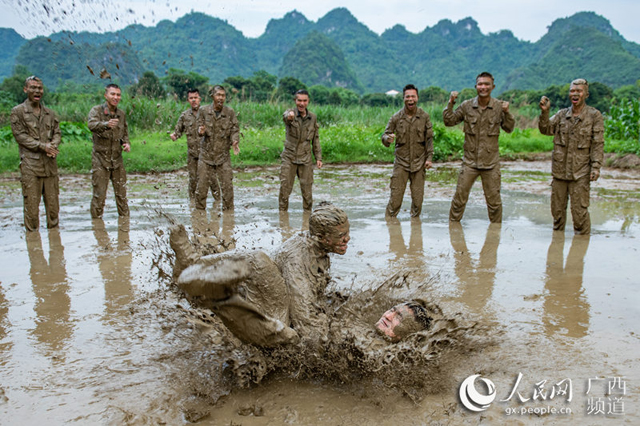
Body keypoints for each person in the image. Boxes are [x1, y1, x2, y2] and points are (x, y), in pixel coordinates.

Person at [170, 202, 350, 347]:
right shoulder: (299, 258)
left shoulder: (316, 247)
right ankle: (198, 272)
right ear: (322, 237)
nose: (347, 239)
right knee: (288, 334)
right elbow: (304, 318)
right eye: (341, 235)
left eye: (347, 233)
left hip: (273, 295)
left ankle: (197, 266)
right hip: (275, 310)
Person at [443, 72, 515, 223]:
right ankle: (453, 231)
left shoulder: (499, 107)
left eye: (487, 84)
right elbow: (449, 121)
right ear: (475, 86)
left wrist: (507, 113)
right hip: (469, 163)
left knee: (494, 203)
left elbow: (509, 128)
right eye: (480, 84)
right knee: (459, 199)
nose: (483, 87)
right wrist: (450, 102)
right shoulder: (467, 106)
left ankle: (494, 235)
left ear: (493, 87)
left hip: (491, 164)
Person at [538, 79, 604, 234]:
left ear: (586, 94)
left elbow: (598, 143)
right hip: (559, 173)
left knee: (580, 217)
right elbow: (546, 129)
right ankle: (556, 254)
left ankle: (579, 255)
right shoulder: (561, 115)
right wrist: (545, 112)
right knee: (557, 217)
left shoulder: (594, 116)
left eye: (579, 91)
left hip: (580, 173)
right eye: (572, 91)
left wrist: (596, 167)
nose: (575, 94)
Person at [10, 76, 61, 231]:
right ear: (26, 89)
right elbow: (20, 137)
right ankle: (33, 244)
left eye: (39, 88)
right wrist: (43, 146)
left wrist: (53, 145)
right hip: (30, 166)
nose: (37, 91)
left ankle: (55, 245)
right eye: (33, 87)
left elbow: (57, 133)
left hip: (50, 166)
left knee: (53, 209)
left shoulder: (50, 114)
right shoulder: (18, 112)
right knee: (32, 210)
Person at [382, 84, 434, 218]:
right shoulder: (396, 118)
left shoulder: (424, 117)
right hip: (401, 163)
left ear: (417, 98)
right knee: (395, 201)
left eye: (413, 96)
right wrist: (388, 139)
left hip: (419, 163)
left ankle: (415, 231)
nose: (410, 99)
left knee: (418, 201)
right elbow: (385, 135)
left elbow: (429, 139)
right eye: (407, 97)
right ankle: (390, 226)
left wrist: (429, 158)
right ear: (403, 98)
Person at [87, 83, 130, 219]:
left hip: (117, 160)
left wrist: (126, 143)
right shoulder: (96, 111)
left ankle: (125, 225)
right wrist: (106, 125)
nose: (115, 97)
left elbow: (125, 132)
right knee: (99, 195)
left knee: (122, 195)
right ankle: (96, 224)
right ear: (106, 96)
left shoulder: (121, 114)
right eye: (113, 94)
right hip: (100, 160)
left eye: (118, 95)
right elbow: (91, 125)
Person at [195, 85, 239, 211]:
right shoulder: (203, 111)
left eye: (223, 95)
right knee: (201, 189)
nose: (221, 97)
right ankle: (199, 218)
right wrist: (200, 131)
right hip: (206, 156)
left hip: (223, 156)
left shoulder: (229, 113)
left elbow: (235, 129)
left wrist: (235, 141)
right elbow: (199, 128)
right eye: (218, 95)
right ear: (212, 96)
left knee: (228, 189)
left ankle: (228, 221)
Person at [279, 89, 322, 212]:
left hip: (305, 158)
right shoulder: (290, 114)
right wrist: (290, 116)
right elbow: (286, 117)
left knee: (307, 193)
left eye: (304, 101)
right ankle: (283, 219)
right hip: (289, 157)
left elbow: (315, 139)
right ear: (295, 101)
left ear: (308, 101)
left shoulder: (312, 118)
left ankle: (307, 220)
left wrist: (318, 157)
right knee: (285, 190)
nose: (301, 104)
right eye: (299, 101)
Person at [170, 89, 204, 200]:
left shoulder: (207, 113)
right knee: (193, 179)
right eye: (191, 98)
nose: (194, 100)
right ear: (188, 100)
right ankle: (192, 203)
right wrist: (175, 135)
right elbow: (178, 131)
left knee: (211, 179)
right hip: (192, 154)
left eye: (196, 97)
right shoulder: (184, 116)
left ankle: (217, 202)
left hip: (206, 154)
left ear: (200, 99)